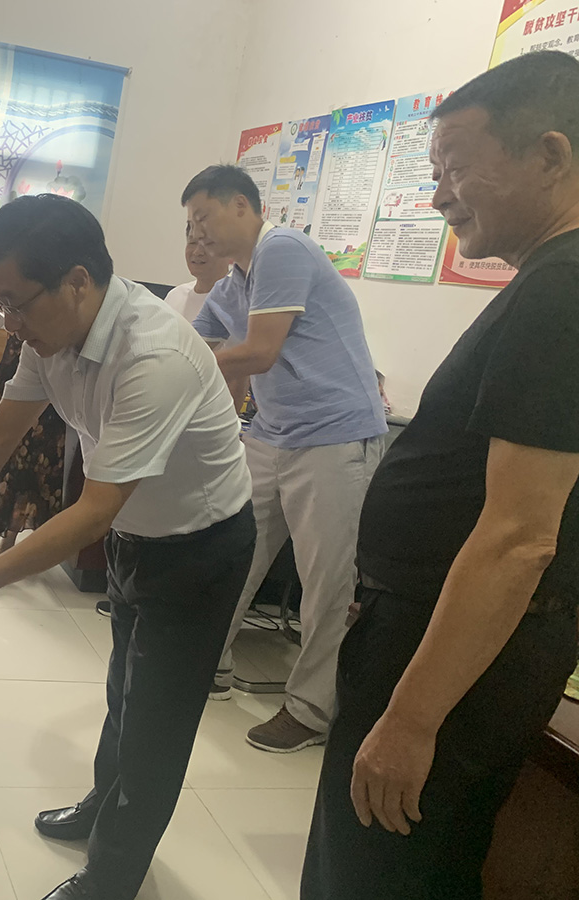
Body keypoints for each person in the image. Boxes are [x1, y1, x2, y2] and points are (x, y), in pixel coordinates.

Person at [0, 194, 256, 900]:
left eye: (16, 303)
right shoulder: (51, 336)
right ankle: (100, 805)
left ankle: (111, 879)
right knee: (122, 692)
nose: (9, 321)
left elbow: (94, 511)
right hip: (139, 536)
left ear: (77, 281)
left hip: (200, 549)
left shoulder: (156, 355)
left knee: (156, 725)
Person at [303, 51, 579, 899]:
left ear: (551, 156)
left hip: (454, 661)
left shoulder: (562, 291)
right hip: (441, 633)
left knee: (380, 870)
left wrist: (410, 720)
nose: (436, 197)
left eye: (454, 168)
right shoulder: (549, 282)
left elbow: (520, 538)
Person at [183, 165, 387, 752]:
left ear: (241, 206)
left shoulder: (283, 248)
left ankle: (311, 710)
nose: (198, 233)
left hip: (335, 436)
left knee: (326, 581)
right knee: (233, 552)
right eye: (191, 224)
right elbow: (194, 342)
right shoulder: (235, 281)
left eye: (203, 218)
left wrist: (192, 363)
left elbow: (260, 352)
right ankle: (210, 664)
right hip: (271, 435)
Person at [0, 304, 66, 564]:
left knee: (38, 458)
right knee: (3, 453)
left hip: (55, 373)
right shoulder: (14, 294)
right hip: (15, 367)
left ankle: (10, 539)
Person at [165, 221, 233, 323]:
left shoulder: (241, 303)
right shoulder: (175, 296)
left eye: (208, 244)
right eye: (192, 242)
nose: (197, 252)